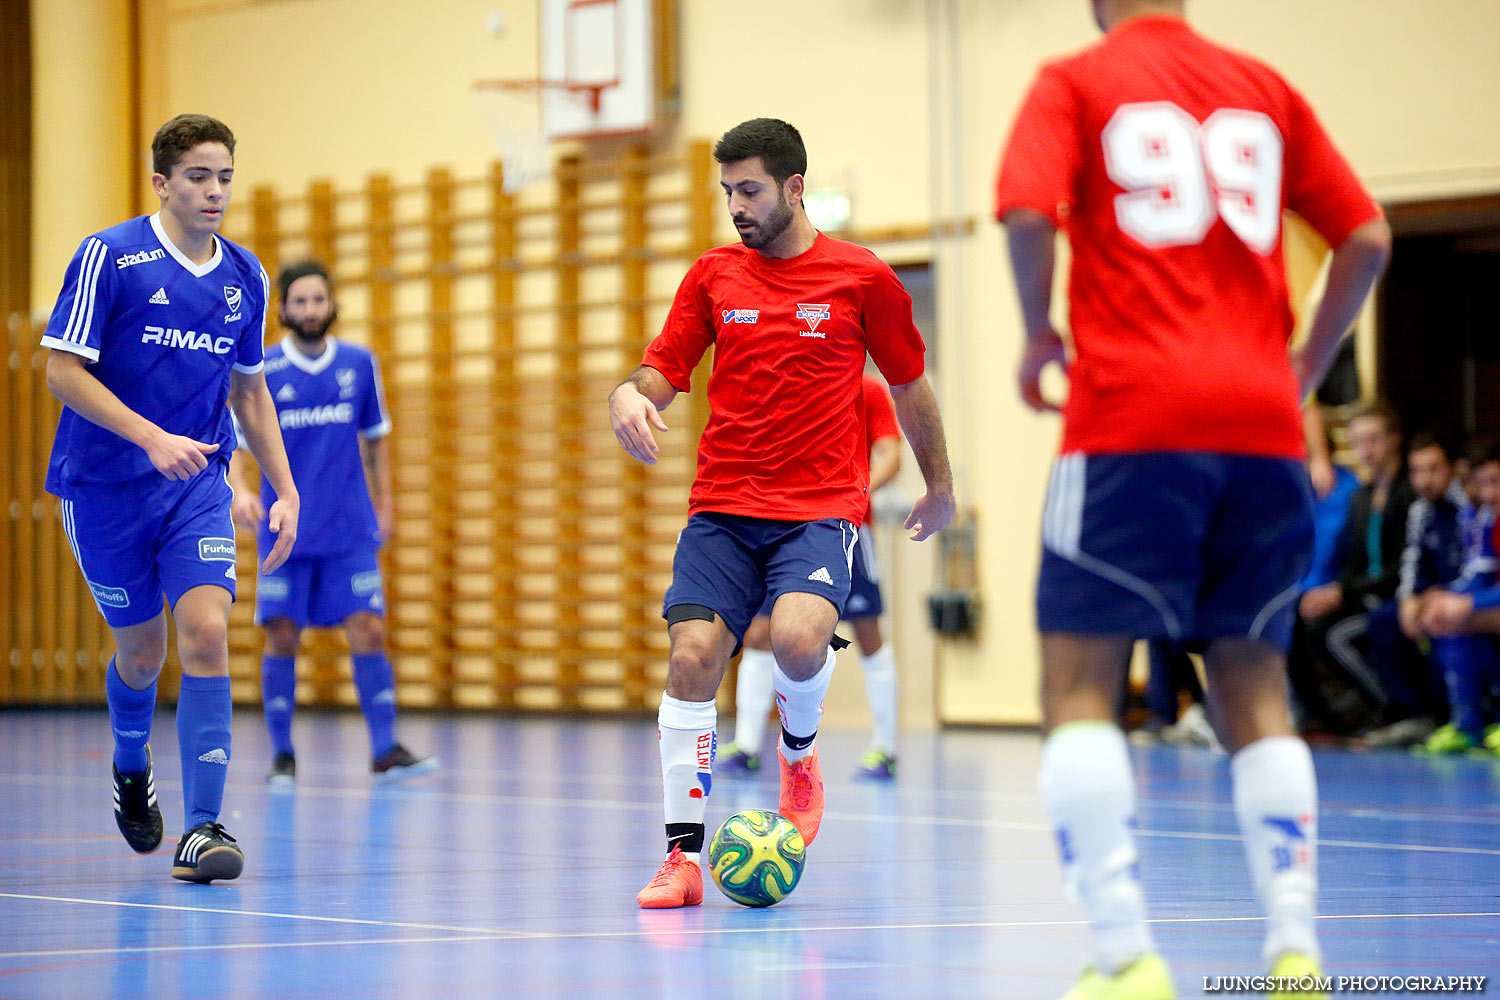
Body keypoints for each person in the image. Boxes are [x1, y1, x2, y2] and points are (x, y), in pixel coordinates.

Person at [995, 1, 1390, 995]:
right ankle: (1295, 950)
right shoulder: (1265, 87)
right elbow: (1369, 239)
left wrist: (1039, 329)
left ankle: (1126, 953)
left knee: (1079, 687)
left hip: (1132, 420)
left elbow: (1029, 210)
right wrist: (1304, 362)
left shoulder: (1074, 82)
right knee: (1254, 688)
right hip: (1260, 432)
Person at [609, 118, 956, 909]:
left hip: (820, 508)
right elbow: (661, 368)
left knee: (799, 641)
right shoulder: (712, 277)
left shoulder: (863, 278)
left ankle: (798, 754)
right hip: (723, 509)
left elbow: (910, 385)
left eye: (750, 190)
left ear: (794, 188)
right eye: (727, 190)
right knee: (694, 656)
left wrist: (939, 482)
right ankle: (682, 860)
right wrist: (627, 394)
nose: (736, 205)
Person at [40, 114, 300, 883]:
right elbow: (61, 370)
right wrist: (150, 437)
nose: (215, 191)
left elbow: (250, 393)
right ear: (161, 182)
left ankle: (203, 829)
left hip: (196, 488)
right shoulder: (110, 258)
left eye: (224, 176)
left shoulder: (245, 276)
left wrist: (286, 489)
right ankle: (129, 763)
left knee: (207, 635)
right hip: (105, 490)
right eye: (197, 176)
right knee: (143, 651)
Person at [229, 260, 436, 784]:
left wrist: (384, 506)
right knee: (280, 635)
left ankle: (385, 749)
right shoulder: (263, 370)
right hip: (286, 530)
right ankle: (282, 754)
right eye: (299, 301)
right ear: (283, 310)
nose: (310, 310)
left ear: (332, 304)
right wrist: (241, 490)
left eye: (318, 300)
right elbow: (232, 440)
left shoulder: (360, 364)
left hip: (348, 527)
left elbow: (375, 443)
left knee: (368, 629)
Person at [719, 373, 906, 779]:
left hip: (846, 530)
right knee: (759, 633)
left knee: (868, 634)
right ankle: (748, 744)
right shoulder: (791, 384)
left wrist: (853, 494)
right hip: (788, 534)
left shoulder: (868, 390)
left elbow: (891, 454)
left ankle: (885, 747)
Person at [1410, 444, 1500, 755]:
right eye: (1482, 482)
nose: (1488, 492)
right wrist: (1444, 598)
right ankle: (1468, 725)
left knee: (1461, 614)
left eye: (1495, 482)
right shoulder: (1489, 517)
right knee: (1447, 617)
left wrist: (1469, 604)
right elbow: (1479, 574)